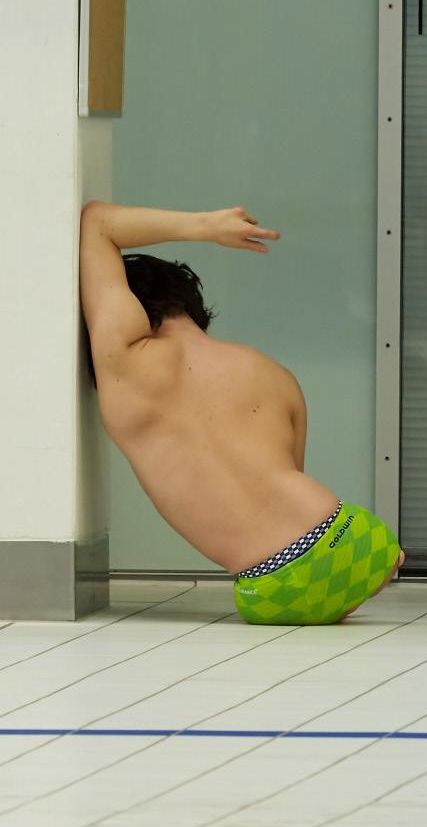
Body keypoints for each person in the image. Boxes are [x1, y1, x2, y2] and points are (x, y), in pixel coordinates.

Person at [79, 201, 405, 625]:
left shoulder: (125, 360)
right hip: (358, 541)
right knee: (329, 566)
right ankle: (362, 576)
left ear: (130, 306)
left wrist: (205, 225)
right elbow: (283, 483)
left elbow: (97, 222)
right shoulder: (275, 375)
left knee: (296, 591)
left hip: (273, 582)